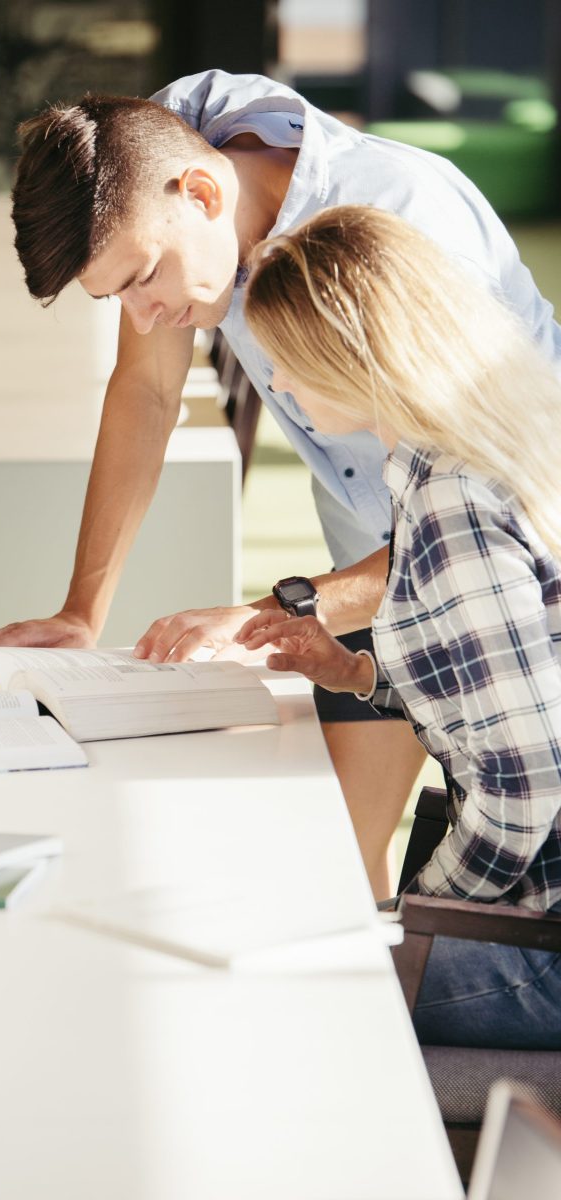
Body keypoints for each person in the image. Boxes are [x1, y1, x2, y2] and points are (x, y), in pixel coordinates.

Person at [0, 70, 561, 898]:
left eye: (143, 279)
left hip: (506, 554)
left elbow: (473, 525)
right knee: (338, 870)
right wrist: (81, 613)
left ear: (204, 192)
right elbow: (145, 391)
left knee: (472, 845)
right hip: (369, 553)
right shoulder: (155, 153)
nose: (142, 315)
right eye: (116, 297)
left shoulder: (403, 234)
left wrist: (273, 611)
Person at [234, 205, 561, 1048]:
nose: (283, 390)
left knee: (254, 990)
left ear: (346, 355)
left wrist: (413, 916)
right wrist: (353, 674)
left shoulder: (452, 494)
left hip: (543, 942)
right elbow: (502, 684)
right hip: (535, 905)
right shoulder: (481, 447)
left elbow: (527, 786)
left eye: (287, 365)